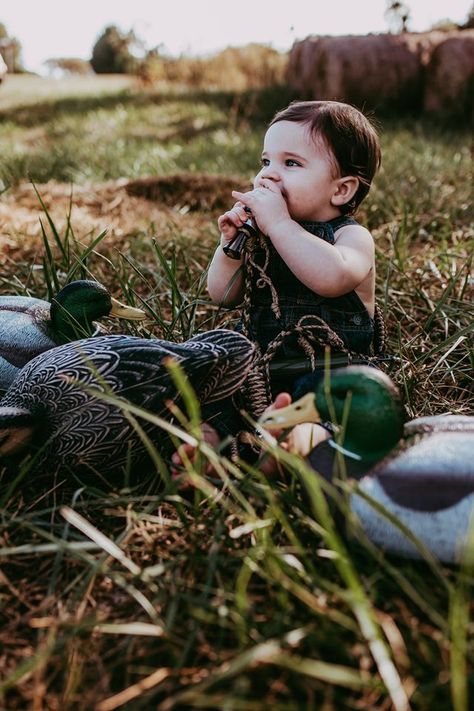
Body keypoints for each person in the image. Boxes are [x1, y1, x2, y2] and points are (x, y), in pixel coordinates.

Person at [172, 100, 381, 473]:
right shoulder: (263, 233)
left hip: (327, 367)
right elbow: (222, 294)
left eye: (291, 164)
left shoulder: (351, 237)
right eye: (265, 162)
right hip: (257, 364)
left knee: (329, 410)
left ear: (342, 190)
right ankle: (206, 446)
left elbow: (332, 278)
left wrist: (281, 226)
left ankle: (291, 447)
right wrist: (231, 247)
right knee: (216, 395)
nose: (268, 176)